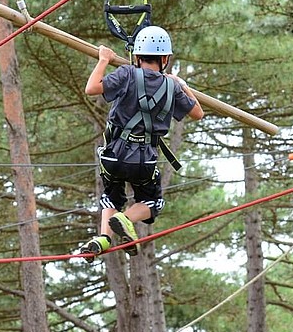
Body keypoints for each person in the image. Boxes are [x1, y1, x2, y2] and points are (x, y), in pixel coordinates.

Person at [79, 25, 203, 257]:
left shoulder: (126, 74)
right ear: (165, 58)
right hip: (144, 159)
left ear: (136, 56)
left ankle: (104, 238)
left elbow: (91, 88)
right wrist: (182, 84)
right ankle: (125, 219)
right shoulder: (171, 86)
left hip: (113, 155)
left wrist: (103, 59)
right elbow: (198, 113)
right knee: (153, 203)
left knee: (110, 196)